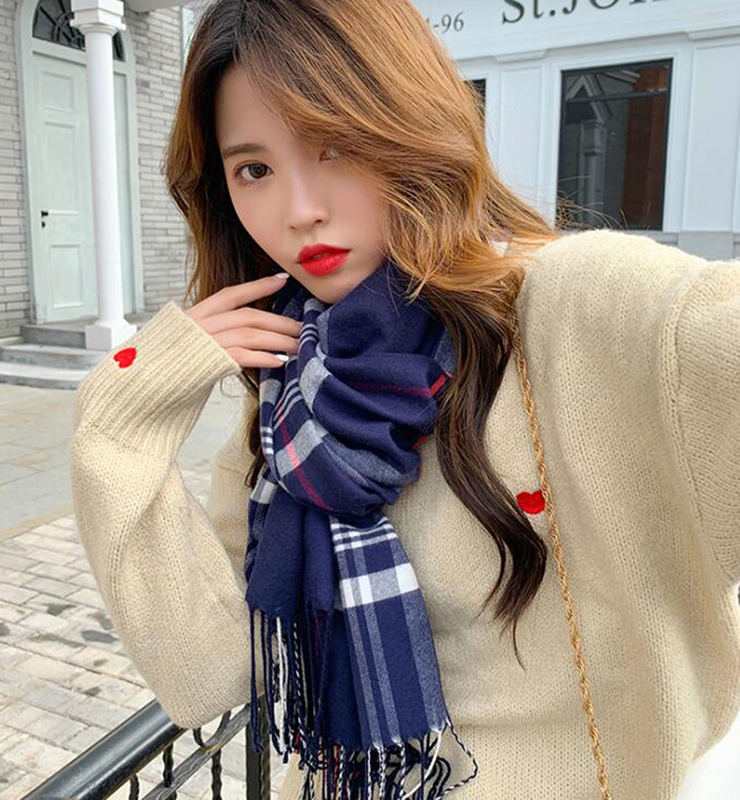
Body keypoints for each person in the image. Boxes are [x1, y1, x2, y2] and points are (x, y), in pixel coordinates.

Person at [69, 1, 740, 798]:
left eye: (336, 146)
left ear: (412, 126)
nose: (299, 210)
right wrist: (122, 414)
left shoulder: (580, 307)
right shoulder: (292, 387)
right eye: (254, 169)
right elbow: (213, 665)